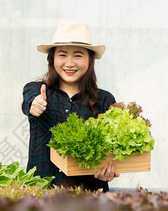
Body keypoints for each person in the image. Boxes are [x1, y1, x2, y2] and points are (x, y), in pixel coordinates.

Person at [21, 22, 120, 191]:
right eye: (62, 55)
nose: (69, 63)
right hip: (41, 194)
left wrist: (109, 169)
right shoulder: (37, 90)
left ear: (90, 60)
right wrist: (35, 105)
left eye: (78, 55)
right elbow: (29, 102)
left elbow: (112, 151)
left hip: (89, 197)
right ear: (52, 59)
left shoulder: (104, 99)